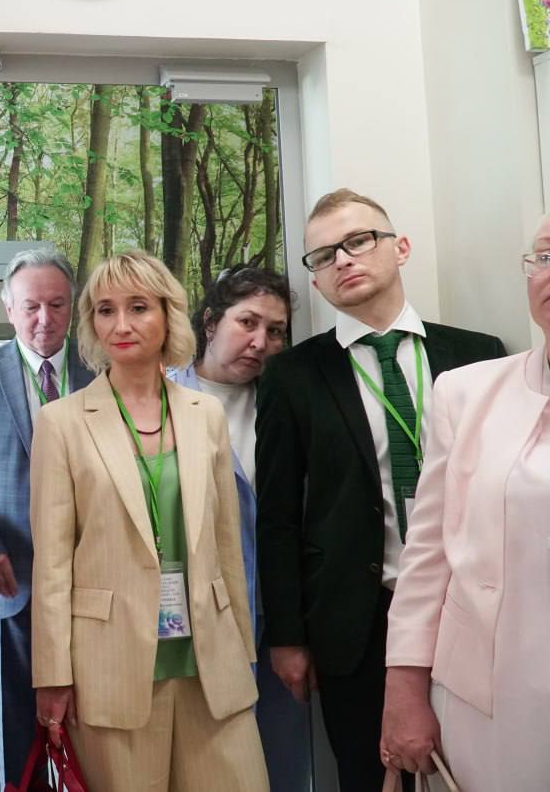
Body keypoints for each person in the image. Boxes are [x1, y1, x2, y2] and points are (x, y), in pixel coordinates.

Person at [255, 189, 506, 790]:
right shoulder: (293, 376)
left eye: (358, 241)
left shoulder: (478, 356)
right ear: (316, 280)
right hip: (358, 623)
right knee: (373, 777)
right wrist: (287, 636)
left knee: (481, 773)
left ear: (401, 247)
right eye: (323, 256)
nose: (342, 259)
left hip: (472, 609)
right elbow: (279, 514)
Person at [31, 251, 266, 791]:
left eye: (138, 307)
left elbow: (228, 544)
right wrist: (53, 676)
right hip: (109, 666)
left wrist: (242, 648)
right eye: (105, 310)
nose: (121, 325)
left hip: (211, 661)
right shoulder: (61, 422)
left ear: (167, 314)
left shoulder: (205, 414)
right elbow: (52, 564)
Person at [379, 217, 550, 789]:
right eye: (545, 256)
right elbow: (427, 555)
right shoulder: (467, 392)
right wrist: (403, 689)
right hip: (487, 700)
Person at [168, 265, 308, 790]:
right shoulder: (162, 398)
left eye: (275, 331)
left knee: (281, 760)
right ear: (210, 322)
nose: (260, 342)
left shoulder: (284, 399)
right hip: (196, 616)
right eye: (247, 322)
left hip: (275, 615)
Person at [0, 248, 93, 785]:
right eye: (31, 306)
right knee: (15, 746)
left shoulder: (102, 373)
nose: (44, 319)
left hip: (91, 589)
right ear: (8, 307)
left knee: (93, 744)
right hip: (10, 584)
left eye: (57, 305)